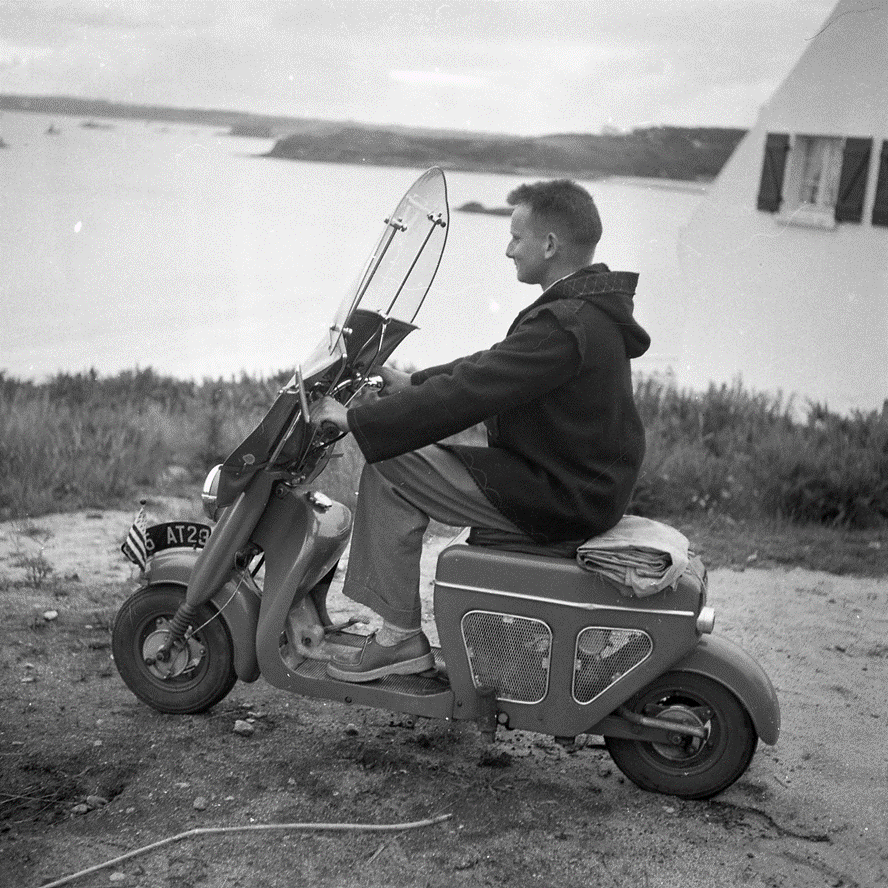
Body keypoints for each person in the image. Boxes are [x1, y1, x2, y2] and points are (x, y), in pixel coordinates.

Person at [309, 179, 650, 683]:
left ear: (550, 245)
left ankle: (398, 639)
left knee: (391, 461)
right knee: (417, 443)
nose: (509, 249)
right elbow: (489, 368)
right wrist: (413, 382)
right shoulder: (581, 311)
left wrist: (354, 419)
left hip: (562, 494)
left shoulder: (565, 323)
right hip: (571, 480)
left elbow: (474, 391)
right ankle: (399, 630)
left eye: (517, 237)